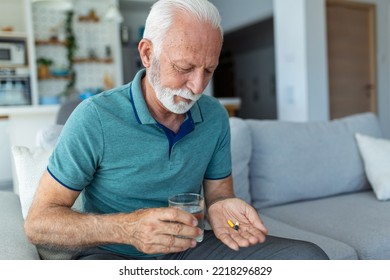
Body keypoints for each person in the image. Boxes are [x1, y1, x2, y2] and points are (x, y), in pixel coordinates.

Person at [25, 0, 329, 260]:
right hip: (111, 254)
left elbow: (219, 195)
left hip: (189, 249)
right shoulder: (95, 117)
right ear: (147, 54)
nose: (197, 87)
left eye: (208, 70)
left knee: (309, 258)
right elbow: (39, 223)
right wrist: (128, 229)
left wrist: (226, 214)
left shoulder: (214, 117)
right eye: (184, 68)